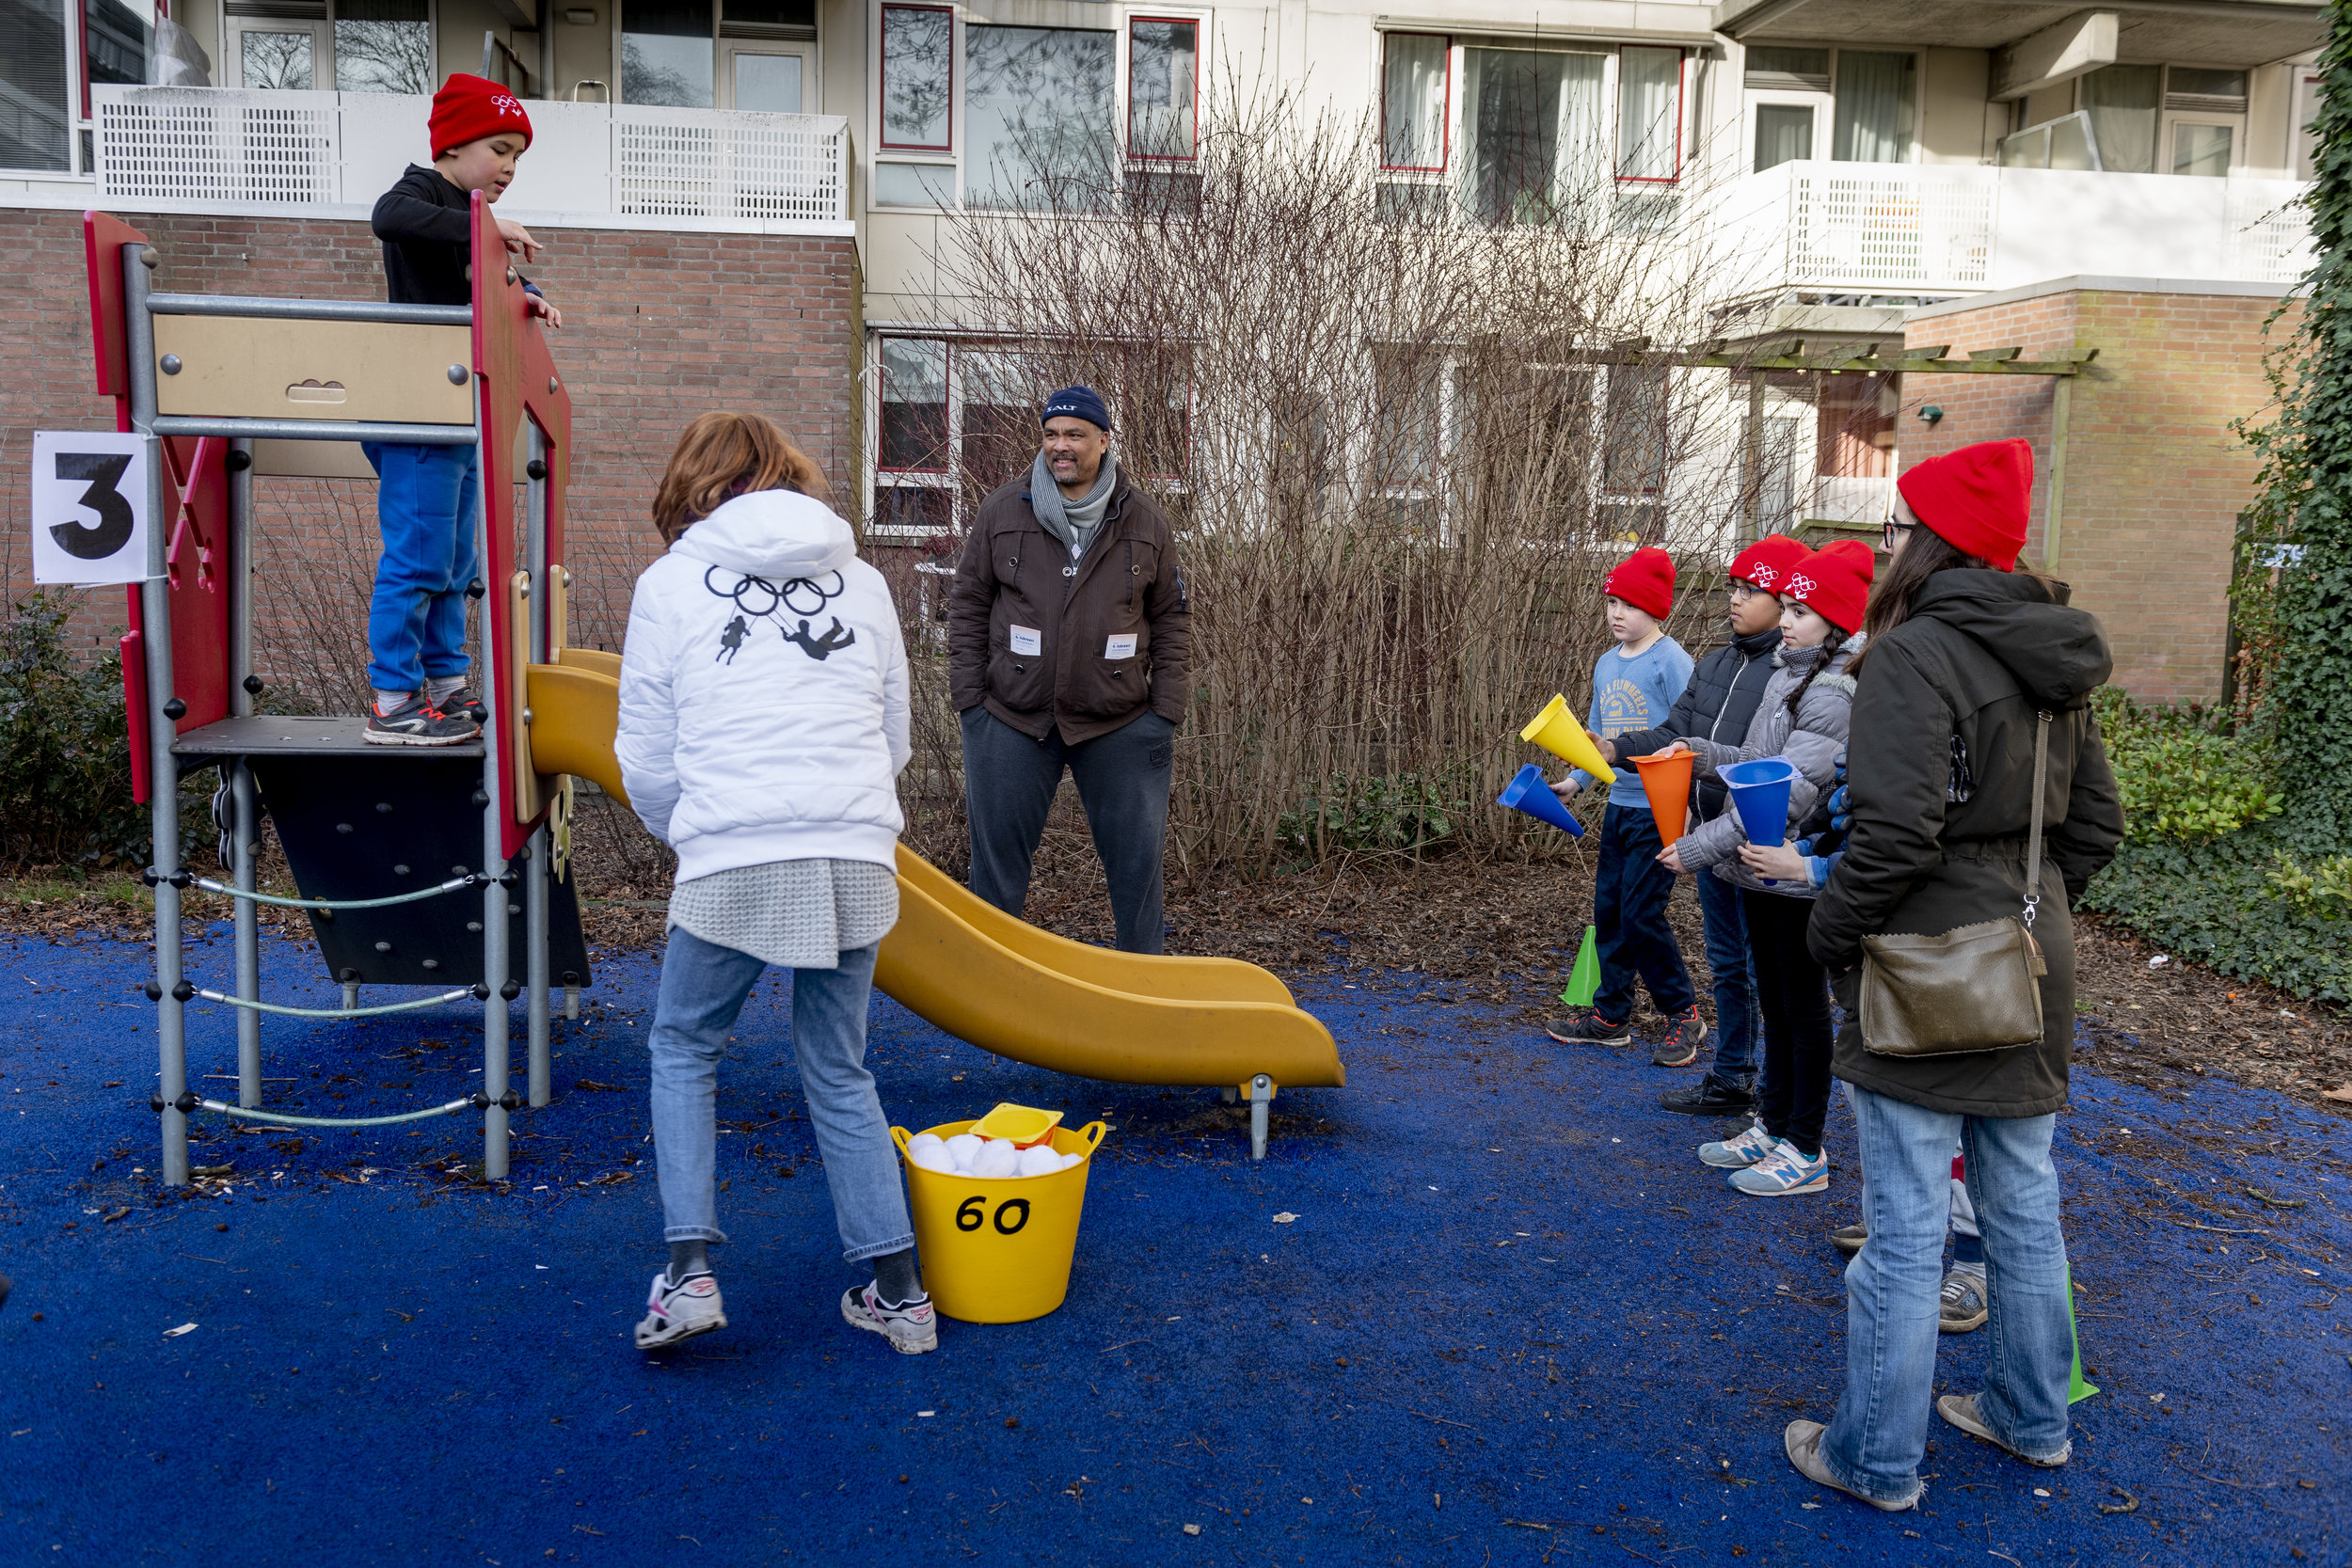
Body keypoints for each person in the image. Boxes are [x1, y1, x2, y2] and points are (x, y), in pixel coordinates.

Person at [1782, 439, 2124, 1511]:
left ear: (1926, 544)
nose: (1885, 543)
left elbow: (1889, 835)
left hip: (1929, 966)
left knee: (1906, 1225)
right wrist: (2018, 897)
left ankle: (1875, 1457)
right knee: (2022, 1201)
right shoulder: (2052, 653)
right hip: (2030, 954)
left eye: (1895, 527)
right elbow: (2096, 827)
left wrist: (1827, 933)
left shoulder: (1912, 650)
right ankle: (2032, 1417)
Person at [615, 412, 937, 1355]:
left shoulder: (669, 583)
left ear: (692, 484)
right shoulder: (867, 582)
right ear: (789, 475)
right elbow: (894, 732)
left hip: (734, 850)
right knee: (838, 1066)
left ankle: (688, 1275)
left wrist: (694, 830)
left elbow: (645, 752)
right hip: (851, 849)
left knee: (683, 1043)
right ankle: (902, 1294)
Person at [947, 385, 1191, 953]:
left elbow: (1173, 620)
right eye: (1052, 434)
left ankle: (1141, 1003)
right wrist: (970, 701)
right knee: (994, 885)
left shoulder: (1146, 521)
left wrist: (1165, 712)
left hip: (1120, 723)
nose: (1062, 446)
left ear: (1103, 441)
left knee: (1138, 879)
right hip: (1011, 719)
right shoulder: (1003, 510)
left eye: (1076, 435)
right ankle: (994, 1014)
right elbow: (967, 603)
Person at [1662, 540, 1872, 1197]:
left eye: (1803, 609)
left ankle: (1805, 1145)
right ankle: (1773, 1123)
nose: (1787, 616)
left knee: (1802, 1009)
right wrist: (1698, 752)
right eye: (1789, 603)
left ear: (1835, 622)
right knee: (1778, 1004)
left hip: (1793, 869)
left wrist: (1695, 849)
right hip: (1758, 868)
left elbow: (1782, 795)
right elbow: (1754, 759)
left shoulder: (1833, 691)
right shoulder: (1788, 671)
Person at [362, 73, 562, 745]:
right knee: (418, 558)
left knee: (456, 561)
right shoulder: (422, 192)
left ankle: (446, 685)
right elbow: (386, 217)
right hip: (416, 407)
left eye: (519, 157)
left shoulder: (473, 225)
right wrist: (485, 225)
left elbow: (485, 283)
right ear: (452, 145)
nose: (509, 166)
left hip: (460, 412)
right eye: (499, 147)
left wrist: (526, 292)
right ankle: (392, 699)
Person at [1592, 531, 1810, 1101]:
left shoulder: (1791, 675)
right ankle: (1733, 1077)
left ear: (1786, 600)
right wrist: (1615, 750)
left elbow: (1779, 767)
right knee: (1726, 964)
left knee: (1765, 970)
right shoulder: (1715, 663)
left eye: (1752, 589)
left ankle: (1775, 1101)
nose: (1734, 599)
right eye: (1733, 587)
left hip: (1761, 840)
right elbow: (1672, 734)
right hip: (1710, 832)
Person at [1544, 547, 1703, 1066]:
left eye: (1630, 604)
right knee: (1609, 911)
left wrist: (1688, 813)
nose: (1617, 612)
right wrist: (1575, 781)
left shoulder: (1673, 661)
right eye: (1612, 601)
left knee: (1641, 914)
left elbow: (1693, 733)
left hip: (1661, 808)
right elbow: (1598, 738)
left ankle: (1684, 1014)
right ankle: (1611, 1017)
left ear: (1656, 609)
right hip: (1620, 805)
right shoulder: (1606, 663)